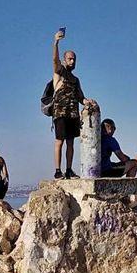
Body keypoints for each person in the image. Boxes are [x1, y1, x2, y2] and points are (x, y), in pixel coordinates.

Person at [51, 29, 95, 179]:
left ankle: (69, 169)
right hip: (60, 113)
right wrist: (56, 42)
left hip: (73, 114)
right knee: (59, 141)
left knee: (70, 142)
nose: (72, 61)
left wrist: (86, 102)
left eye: (74, 59)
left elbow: (80, 97)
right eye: (70, 59)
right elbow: (54, 60)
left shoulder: (76, 80)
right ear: (65, 60)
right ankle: (58, 170)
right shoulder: (59, 72)